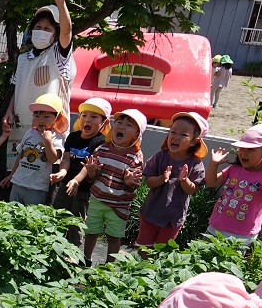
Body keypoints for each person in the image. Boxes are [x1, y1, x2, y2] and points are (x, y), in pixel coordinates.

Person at [2, 0, 75, 163]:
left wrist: (61, 2)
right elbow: (16, 87)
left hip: (49, 132)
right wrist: (9, 111)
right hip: (20, 127)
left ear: (55, 34)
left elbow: (67, 32)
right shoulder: (24, 58)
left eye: (48, 29)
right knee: (16, 172)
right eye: (38, 26)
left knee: (44, 174)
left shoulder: (59, 56)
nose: (41, 31)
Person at [77, 109, 146, 265]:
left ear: (136, 135)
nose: (121, 126)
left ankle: (109, 268)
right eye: (119, 122)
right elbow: (93, 177)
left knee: (114, 237)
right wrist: (92, 171)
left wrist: (129, 181)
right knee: (91, 231)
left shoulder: (135, 156)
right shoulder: (102, 149)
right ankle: (86, 258)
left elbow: (133, 186)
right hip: (97, 199)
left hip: (119, 205)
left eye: (129, 125)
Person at [135, 113, 208, 249]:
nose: (175, 137)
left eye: (183, 135)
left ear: (194, 141)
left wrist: (185, 180)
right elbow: (149, 181)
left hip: (173, 219)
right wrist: (162, 178)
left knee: (161, 251)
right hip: (151, 212)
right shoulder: (159, 157)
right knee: (143, 247)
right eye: (172, 132)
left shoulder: (195, 164)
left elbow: (192, 190)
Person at [205, 124, 262, 243]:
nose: (243, 153)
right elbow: (211, 182)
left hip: (241, 235)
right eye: (242, 148)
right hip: (215, 227)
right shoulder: (234, 169)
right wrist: (213, 164)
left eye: (250, 149)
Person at [53, 97, 110, 245]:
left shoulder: (100, 142)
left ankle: (73, 254)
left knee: (75, 222)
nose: (87, 120)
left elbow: (88, 166)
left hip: (83, 190)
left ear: (104, 122)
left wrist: (76, 180)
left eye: (94, 117)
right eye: (84, 115)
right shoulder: (73, 137)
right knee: (56, 217)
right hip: (65, 186)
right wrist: (62, 173)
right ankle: (53, 248)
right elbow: (65, 158)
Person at [0, 93, 65, 206]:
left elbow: (53, 159)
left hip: (37, 187)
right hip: (18, 182)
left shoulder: (57, 137)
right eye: (37, 116)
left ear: (56, 118)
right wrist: (11, 175)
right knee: (12, 213)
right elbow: (20, 156)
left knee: (32, 217)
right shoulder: (29, 133)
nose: (41, 120)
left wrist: (48, 141)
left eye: (46, 116)